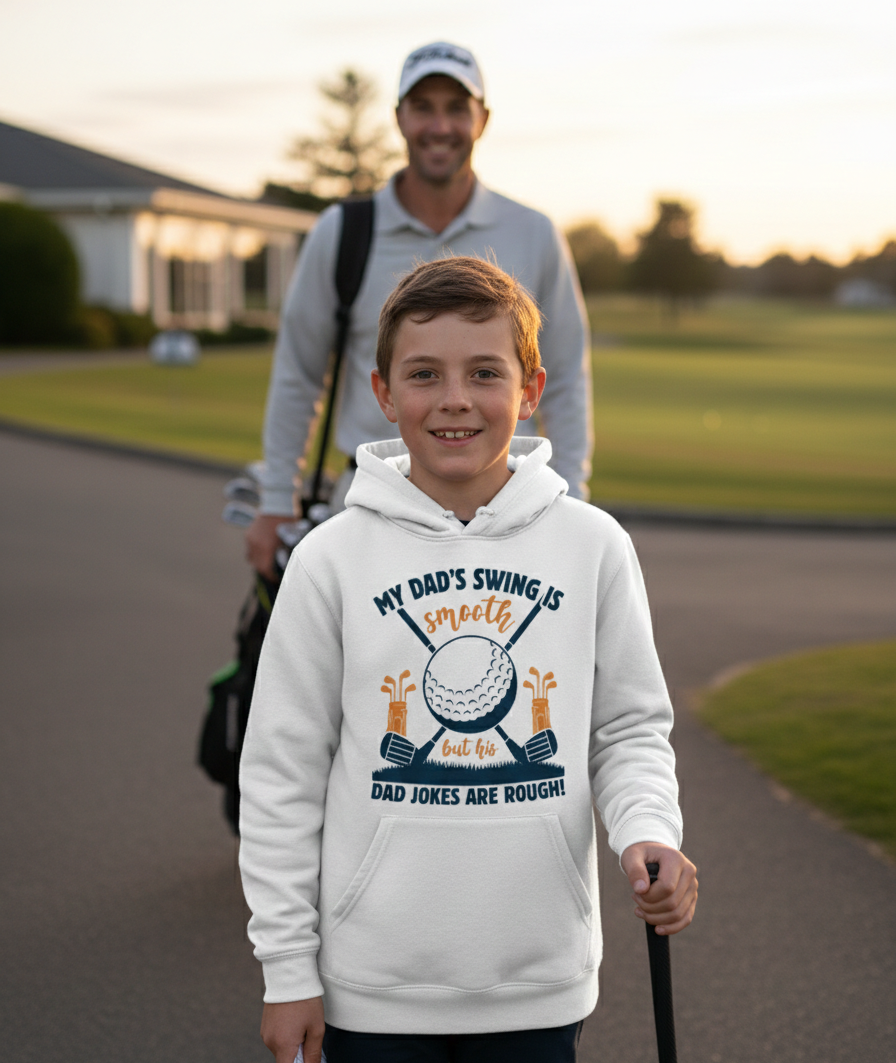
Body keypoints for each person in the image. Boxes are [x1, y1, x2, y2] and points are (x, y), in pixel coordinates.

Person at [238, 257, 698, 1063]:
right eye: (424, 374)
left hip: (538, 976)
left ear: (531, 389)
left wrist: (647, 829)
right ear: (384, 393)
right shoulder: (329, 559)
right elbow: (282, 773)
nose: (454, 398)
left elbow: (627, 729)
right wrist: (286, 968)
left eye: (485, 372)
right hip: (369, 986)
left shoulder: (593, 546)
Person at [246, 41, 592, 580]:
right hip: (369, 506)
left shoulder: (534, 233)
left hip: (504, 514)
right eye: (423, 107)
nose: (440, 126)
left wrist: (569, 503)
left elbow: (565, 379)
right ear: (399, 118)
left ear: (482, 119)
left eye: (456, 108)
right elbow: (298, 373)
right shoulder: (342, 232)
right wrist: (274, 500)